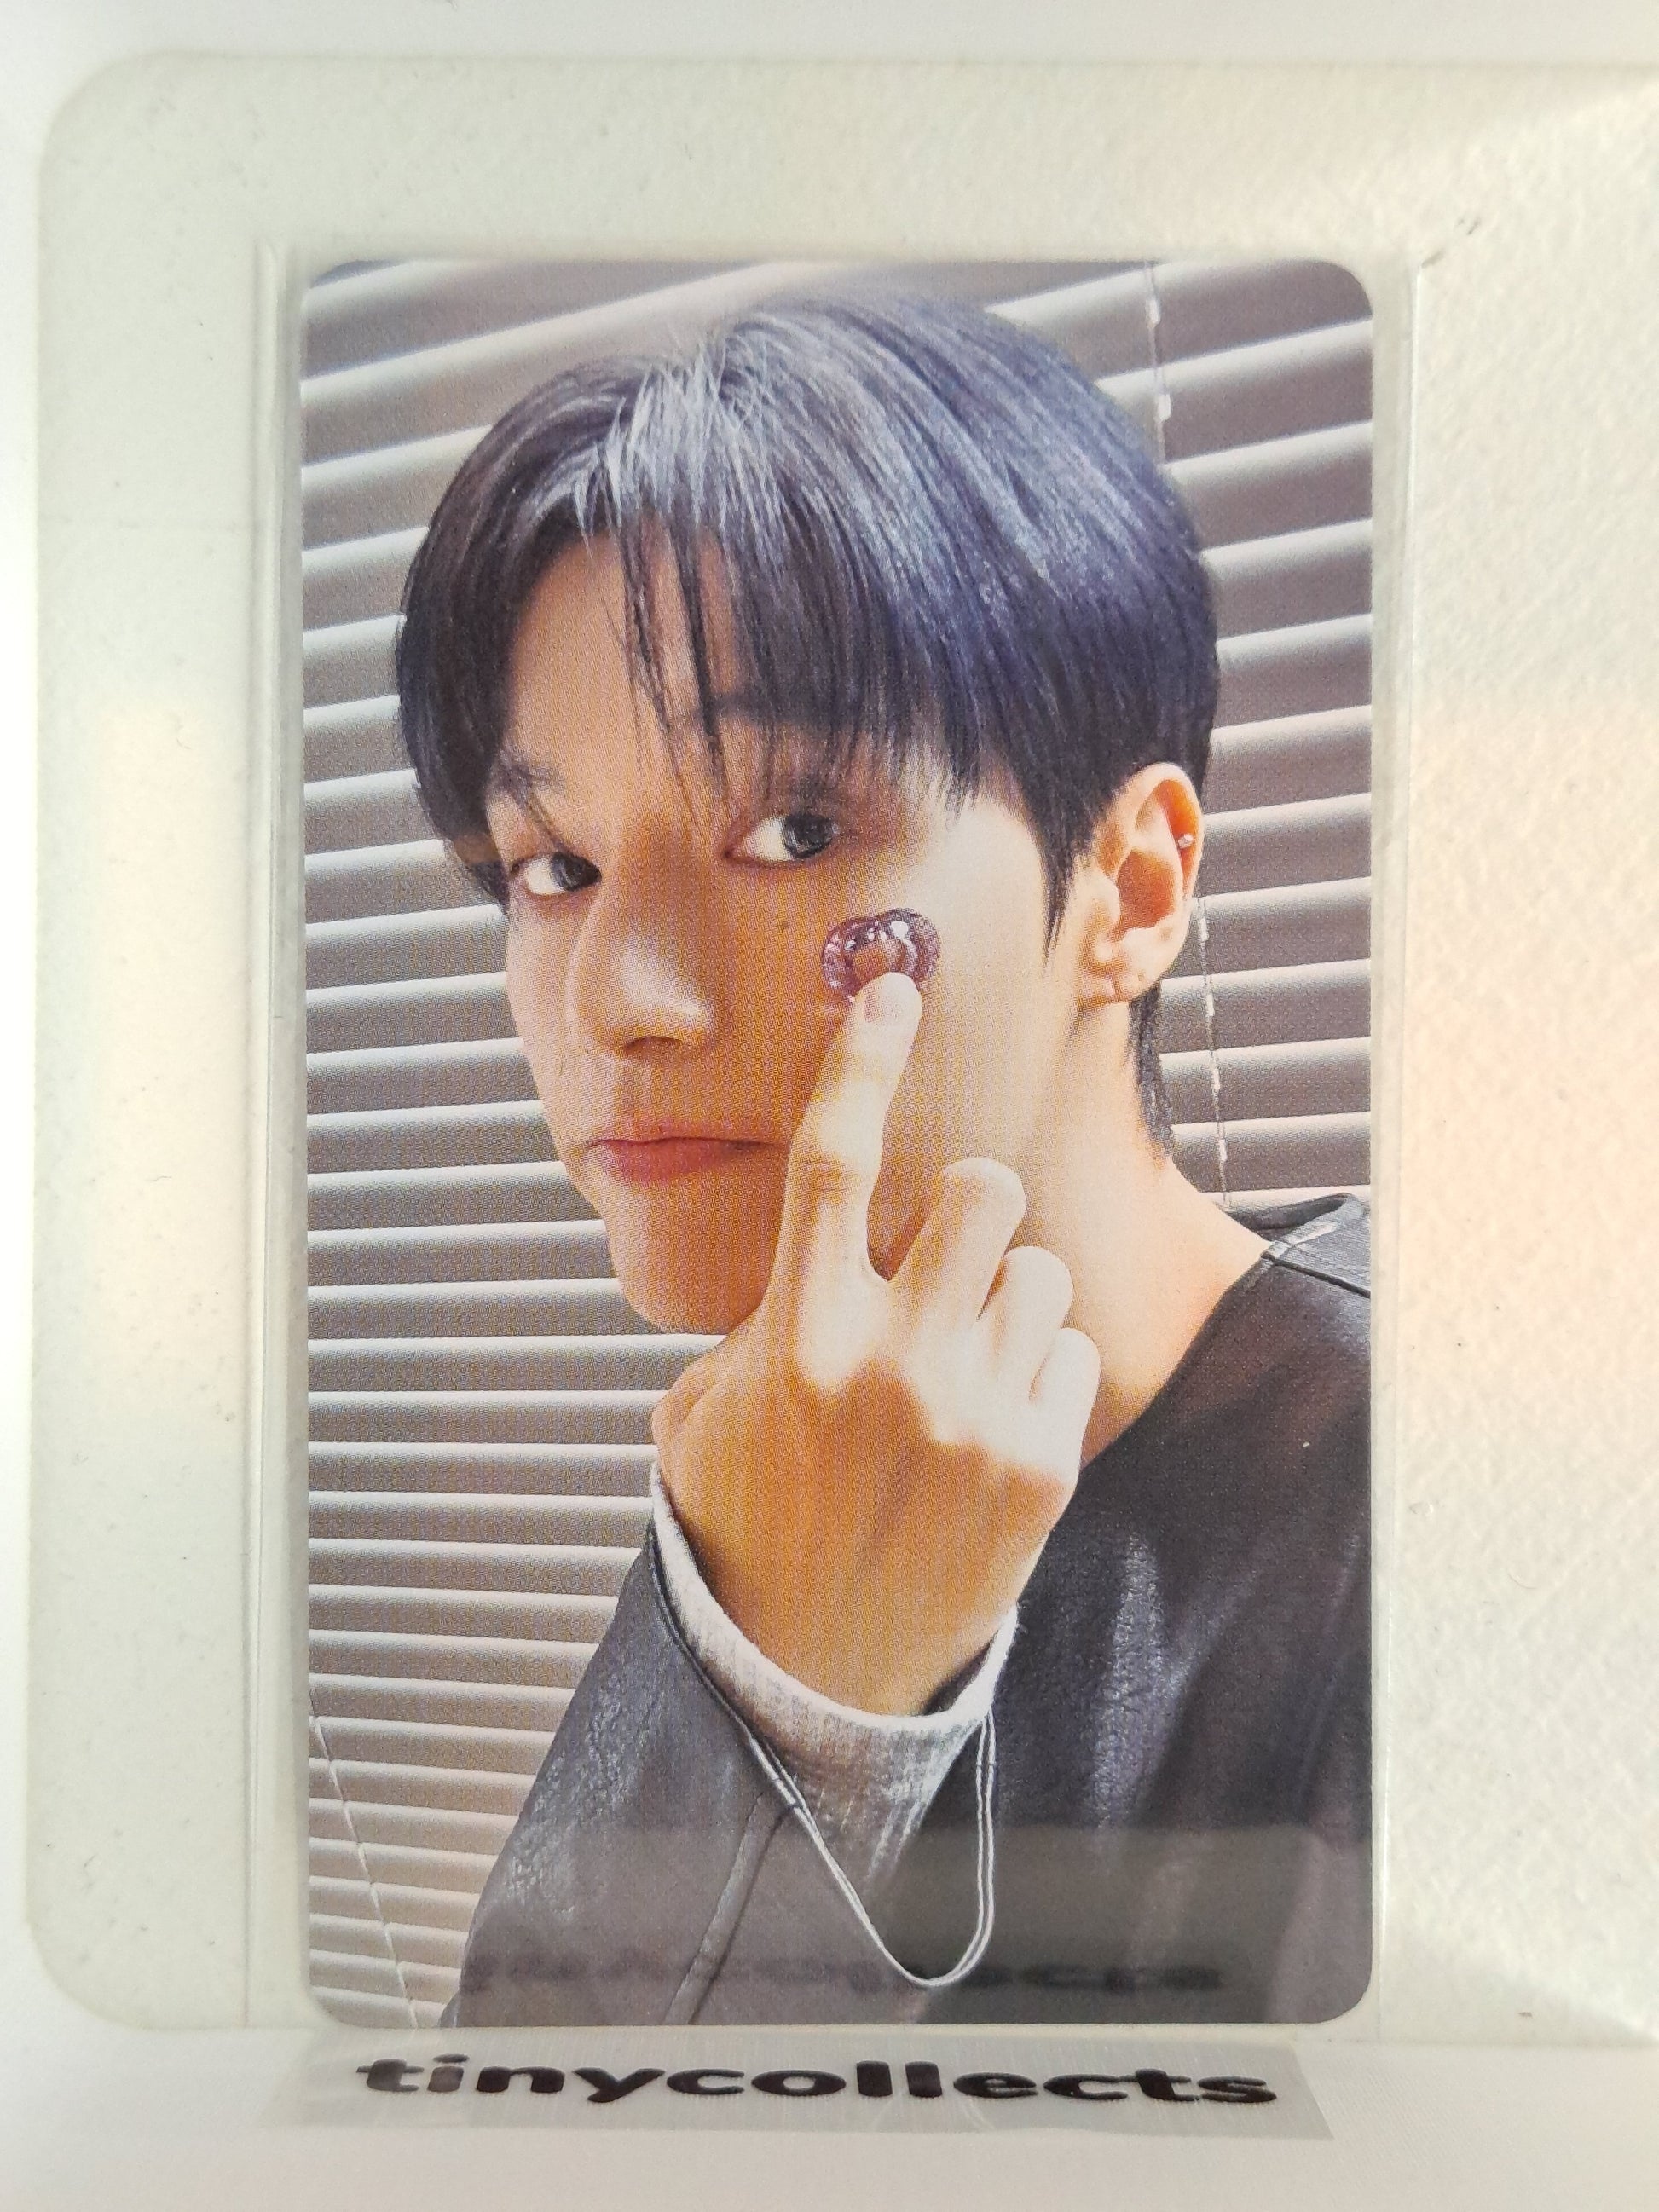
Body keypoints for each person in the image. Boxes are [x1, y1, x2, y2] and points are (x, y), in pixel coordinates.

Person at [395, 291, 1371, 2028]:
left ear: (1131, 890)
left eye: (794, 830)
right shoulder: (798, 1432)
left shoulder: (1449, 1500)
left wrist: (789, 1713)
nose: (618, 996)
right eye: (553, 867)